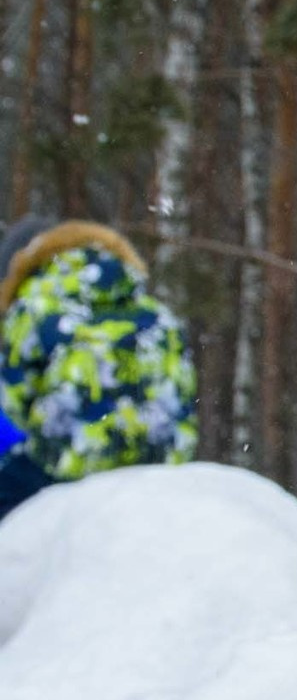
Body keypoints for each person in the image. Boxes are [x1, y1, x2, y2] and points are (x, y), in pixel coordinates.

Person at [0, 216, 198, 521]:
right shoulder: (155, 314)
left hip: (66, 462)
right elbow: (183, 394)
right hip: (159, 460)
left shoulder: (33, 308)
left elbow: (12, 398)